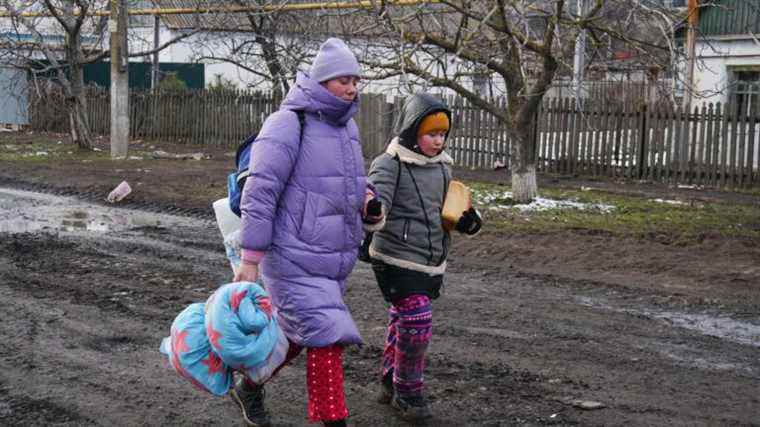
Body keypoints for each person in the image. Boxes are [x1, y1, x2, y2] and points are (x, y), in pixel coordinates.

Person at [231, 38, 382, 427]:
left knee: (297, 339)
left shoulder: (346, 128)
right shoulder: (287, 122)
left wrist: (368, 200)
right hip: (292, 257)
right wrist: (250, 260)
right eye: (343, 80)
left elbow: (350, 182)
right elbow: (260, 192)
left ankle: (249, 384)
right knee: (328, 338)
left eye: (356, 80)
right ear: (322, 81)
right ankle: (333, 421)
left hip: (331, 260)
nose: (351, 88)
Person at [366, 93, 482, 421]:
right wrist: (373, 209)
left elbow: (448, 207)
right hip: (394, 257)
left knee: (402, 318)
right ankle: (408, 391)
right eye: (432, 133)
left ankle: (389, 378)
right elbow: (375, 197)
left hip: (430, 258)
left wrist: (468, 220)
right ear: (413, 131)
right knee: (417, 320)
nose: (438, 140)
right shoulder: (390, 163)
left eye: (443, 134)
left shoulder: (443, 166)